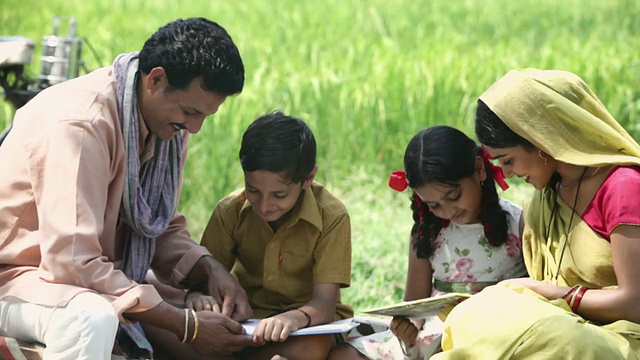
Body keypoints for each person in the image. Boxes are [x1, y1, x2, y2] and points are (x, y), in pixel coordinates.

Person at [0, 17, 258, 360]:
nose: (194, 128)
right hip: (22, 280)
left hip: (97, 276)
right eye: (189, 111)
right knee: (90, 319)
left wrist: (210, 270)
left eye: (204, 117)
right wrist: (184, 325)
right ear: (156, 79)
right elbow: (73, 264)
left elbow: (157, 224)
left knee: (207, 309)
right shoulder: (82, 124)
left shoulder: (166, 125)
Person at [431, 69, 640, 359]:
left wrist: (547, 293)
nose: (506, 174)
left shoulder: (623, 187)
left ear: (541, 140)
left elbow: (635, 303)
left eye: (508, 160)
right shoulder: (547, 196)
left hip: (619, 337)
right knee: (475, 311)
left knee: (556, 336)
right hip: (559, 325)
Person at [329, 125, 526, 360]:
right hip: (436, 333)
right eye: (434, 205)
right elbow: (414, 306)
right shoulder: (428, 232)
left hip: (495, 330)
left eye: (453, 196)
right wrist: (407, 328)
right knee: (343, 356)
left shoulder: (517, 223)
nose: (448, 210)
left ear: (479, 169)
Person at [194, 111, 353, 360]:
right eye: (253, 190)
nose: (264, 205)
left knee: (311, 349)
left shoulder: (331, 216)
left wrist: (291, 319)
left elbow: (324, 303)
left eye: (279, 195)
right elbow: (203, 280)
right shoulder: (230, 210)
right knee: (171, 331)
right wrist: (200, 300)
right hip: (244, 324)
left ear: (308, 178)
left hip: (307, 326)